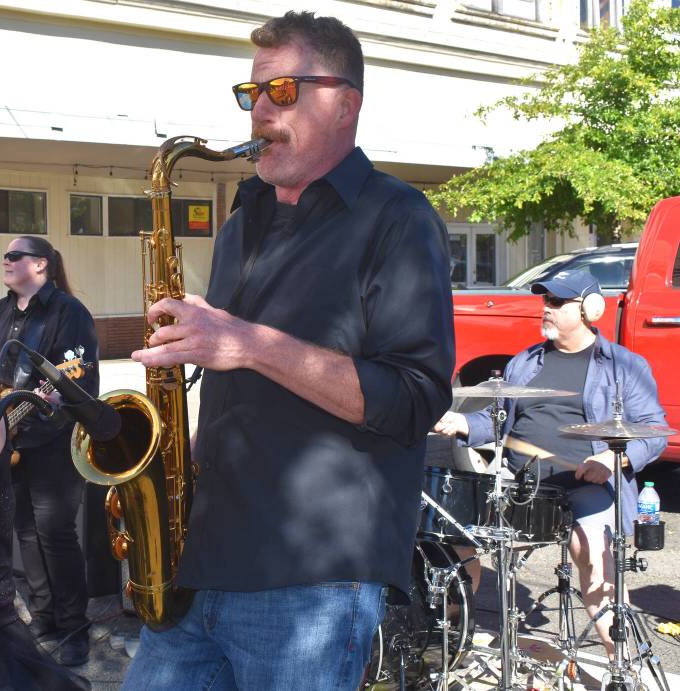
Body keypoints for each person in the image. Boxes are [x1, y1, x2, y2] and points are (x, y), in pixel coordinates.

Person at [125, 11, 455, 690]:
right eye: (252, 95)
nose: (258, 114)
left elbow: (413, 397)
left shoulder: (399, 218)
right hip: (204, 560)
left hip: (312, 581)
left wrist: (246, 343)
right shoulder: (242, 221)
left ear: (345, 103)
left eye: (282, 93)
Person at [433, 269, 667, 657]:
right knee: (458, 544)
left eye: (557, 303)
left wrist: (610, 459)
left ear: (589, 308)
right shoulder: (526, 362)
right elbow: (499, 419)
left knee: (594, 556)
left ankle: (622, 662)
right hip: (521, 483)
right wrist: (462, 423)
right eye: (546, 301)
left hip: (588, 486)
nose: (547, 309)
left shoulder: (622, 366)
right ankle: (447, 640)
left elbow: (654, 432)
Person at [0, 236, 100, 668]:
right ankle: (44, 618)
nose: (5, 261)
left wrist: (46, 401)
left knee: (55, 533)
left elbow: (77, 377)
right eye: (5, 256)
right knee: (24, 532)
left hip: (53, 439)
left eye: (15, 256)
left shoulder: (70, 313)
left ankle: (74, 626)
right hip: (7, 441)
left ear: (41, 266)